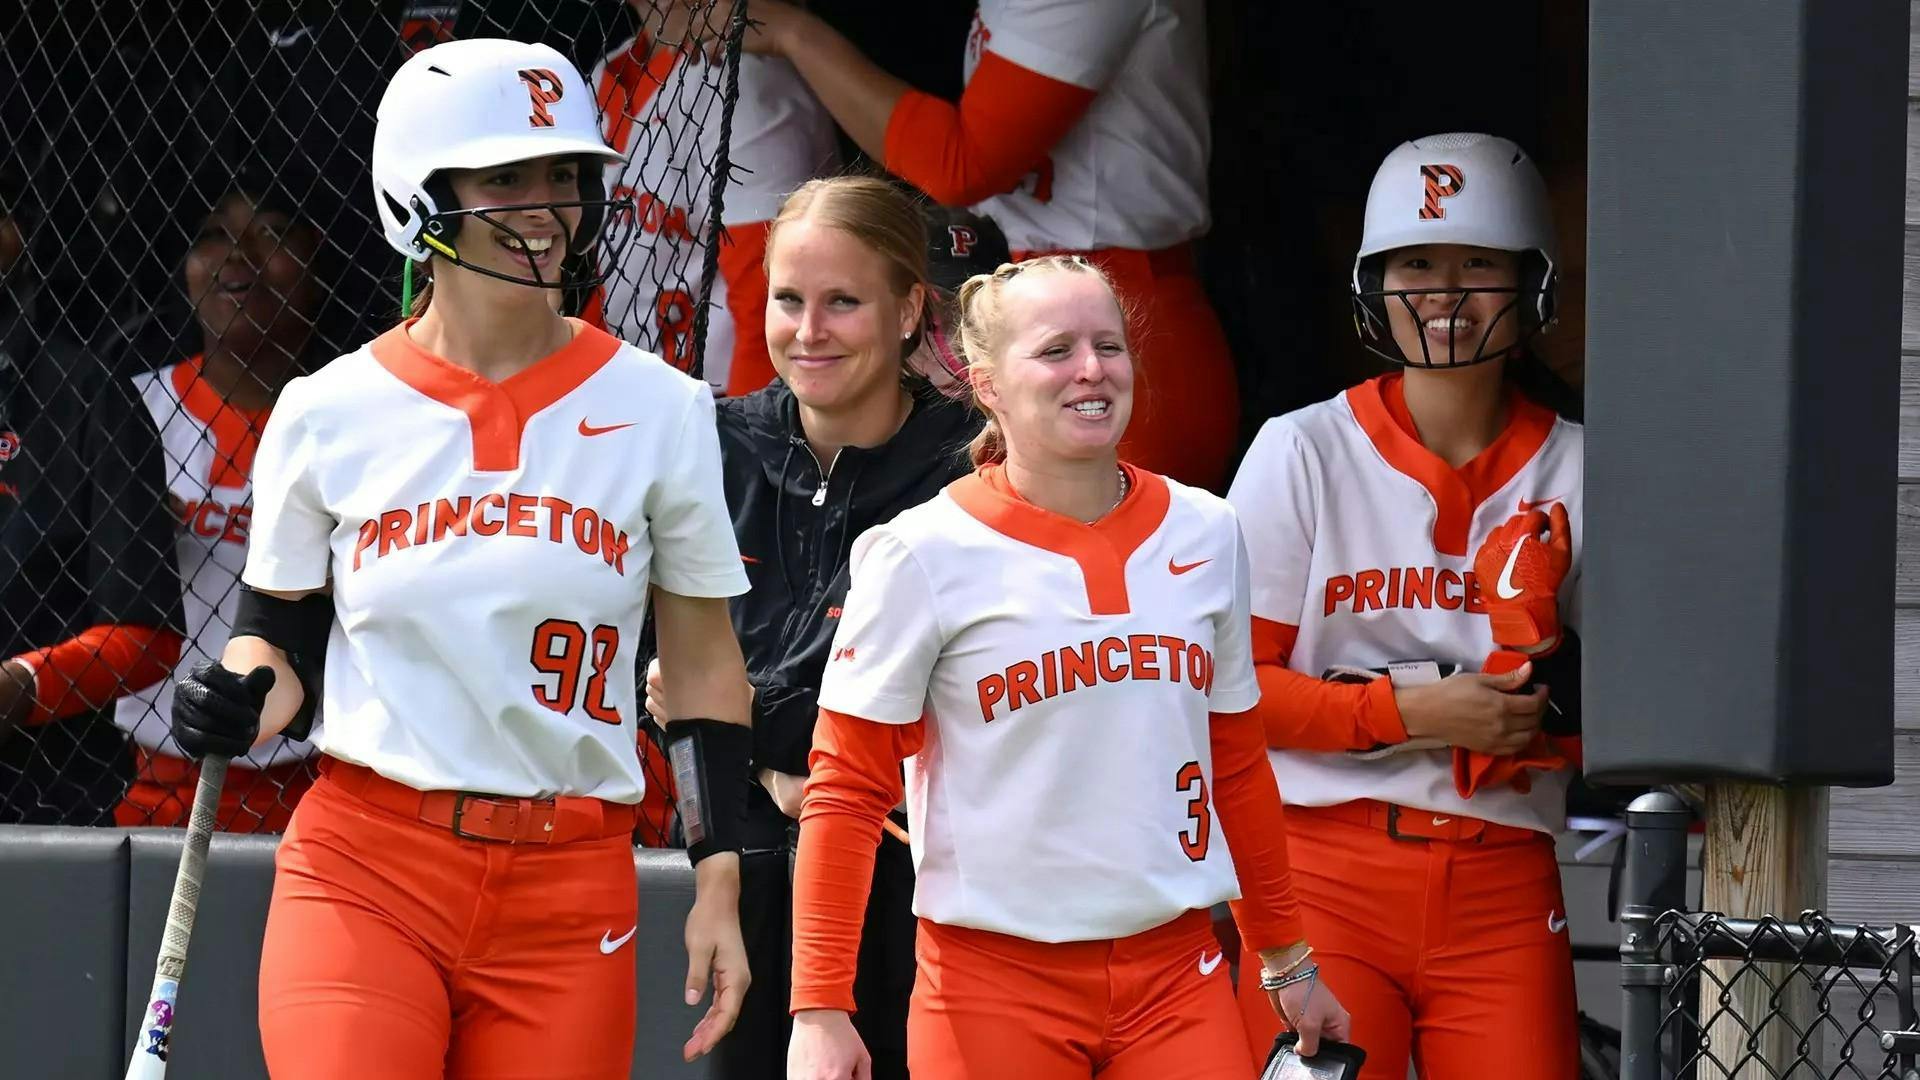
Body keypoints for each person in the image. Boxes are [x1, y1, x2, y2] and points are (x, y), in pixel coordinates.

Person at [164, 39, 754, 1078]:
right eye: (506, 177)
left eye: (566, 175)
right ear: (420, 196)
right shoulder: (327, 410)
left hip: (573, 884)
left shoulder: (664, 408)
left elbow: (704, 670)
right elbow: (278, 641)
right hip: (367, 865)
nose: (547, 206)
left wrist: (719, 879)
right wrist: (235, 698)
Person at [785, 254, 1350, 1080]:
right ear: (986, 384)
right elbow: (845, 788)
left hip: (1175, 975)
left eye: (1109, 346)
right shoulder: (919, 551)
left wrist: (1286, 959)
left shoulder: (1208, 529)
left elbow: (1232, 762)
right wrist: (820, 1007)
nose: (1092, 370)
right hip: (991, 984)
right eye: (1056, 351)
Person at [1225, 133, 1584, 1079]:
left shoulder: (1590, 466)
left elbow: (1645, 703)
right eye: (1415, 262)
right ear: (1372, 280)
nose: (1443, 289)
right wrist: (1411, 712)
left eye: (1477, 262)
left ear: (1531, 278)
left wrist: (1555, 708)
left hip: (1504, 877)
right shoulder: (1300, 450)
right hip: (1320, 872)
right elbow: (1229, 696)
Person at [646, 177, 988, 1080]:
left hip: (921, 885)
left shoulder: (974, 467)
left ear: (912, 308)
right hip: (731, 866)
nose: (808, 331)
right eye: (789, 301)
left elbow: (943, 705)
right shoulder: (712, 445)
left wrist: (747, 718)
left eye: (843, 302)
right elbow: (657, 677)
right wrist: (770, 760)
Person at [729, 0, 1241, 490]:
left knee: (1109, 563)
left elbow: (961, 165)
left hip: (1123, 312)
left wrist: (791, 33)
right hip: (1024, 303)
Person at [112, 179, 327, 832]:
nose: (239, 255)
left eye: (270, 233)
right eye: (214, 235)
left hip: (314, 782)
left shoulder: (355, 415)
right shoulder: (131, 409)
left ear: (317, 260)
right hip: (149, 779)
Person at [0, 163, 186, 825]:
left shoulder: (84, 391)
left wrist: (21, 683)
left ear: (14, 235)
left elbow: (149, 634)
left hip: (45, 796)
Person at [588, 0, 838, 396]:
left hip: (717, 401)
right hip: (632, 383)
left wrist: (739, 449)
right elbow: (607, 277)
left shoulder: (746, 86)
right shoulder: (614, 68)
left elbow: (767, 313)